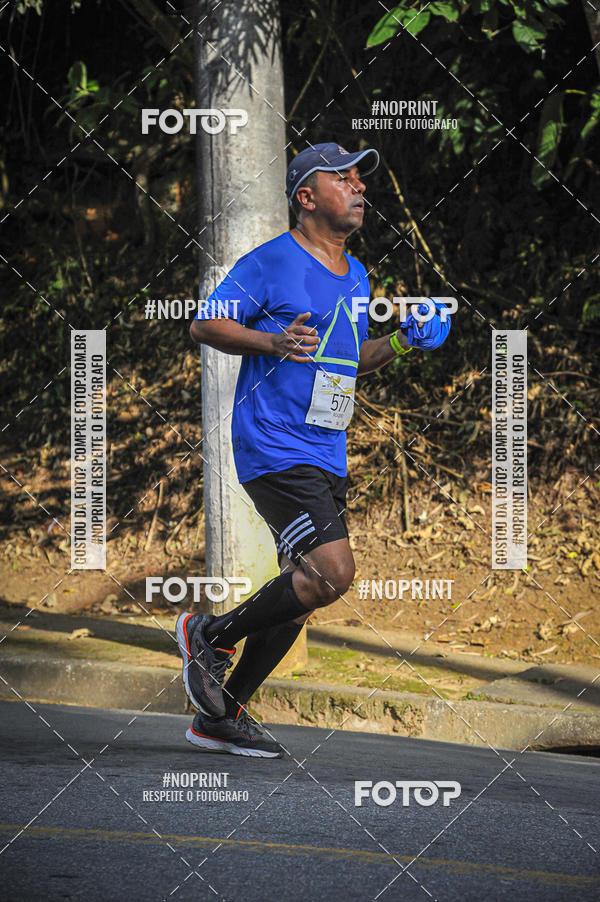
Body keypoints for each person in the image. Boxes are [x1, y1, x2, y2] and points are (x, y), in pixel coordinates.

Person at [177, 142, 451, 757]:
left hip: (327, 449)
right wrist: (270, 343)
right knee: (333, 572)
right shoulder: (271, 261)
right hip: (274, 445)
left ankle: (222, 716)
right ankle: (207, 635)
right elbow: (205, 323)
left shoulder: (356, 274)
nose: (360, 187)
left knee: (300, 590)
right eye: (344, 178)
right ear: (306, 196)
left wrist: (403, 341)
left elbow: (350, 360)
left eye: (360, 180)